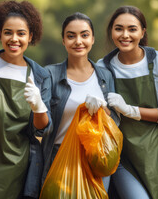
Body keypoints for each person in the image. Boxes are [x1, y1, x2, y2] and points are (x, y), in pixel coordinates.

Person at [98, 5, 158, 198]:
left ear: (142, 32)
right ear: (111, 32)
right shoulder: (102, 68)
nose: (125, 35)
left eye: (132, 29)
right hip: (124, 158)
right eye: (118, 29)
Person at [0, 0, 52, 199]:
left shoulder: (40, 76)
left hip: (17, 170)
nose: (14, 39)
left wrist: (39, 107)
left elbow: (42, 129)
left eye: (21, 33)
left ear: (31, 36)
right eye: (8, 32)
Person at [41, 12, 119, 192]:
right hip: (61, 159)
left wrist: (102, 108)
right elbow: (41, 127)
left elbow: (113, 122)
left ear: (92, 39)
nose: (78, 41)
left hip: (96, 159)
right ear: (63, 41)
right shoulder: (50, 74)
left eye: (84, 35)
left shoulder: (105, 75)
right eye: (71, 36)